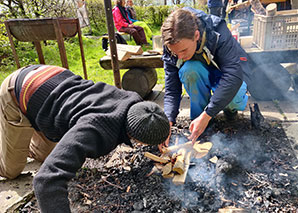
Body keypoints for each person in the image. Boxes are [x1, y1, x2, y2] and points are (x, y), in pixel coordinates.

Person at [0, 64, 170, 212]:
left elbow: (148, 120)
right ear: (135, 138)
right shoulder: (94, 129)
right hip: (19, 91)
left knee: (46, 156)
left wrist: (158, 134)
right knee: (11, 170)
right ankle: (13, 133)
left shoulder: (132, 103)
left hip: (51, 78)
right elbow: (46, 181)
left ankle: (24, 137)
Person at [160, 8, 251, 147]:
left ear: (196, 35)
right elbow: (172, 88)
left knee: (233, 97)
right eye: (175, 52)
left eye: (184, 50)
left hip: (225, 74)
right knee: (189, 70)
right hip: (201, 73)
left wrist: (208, 113)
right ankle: (199, 121)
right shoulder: (171, 42)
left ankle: (223, 111)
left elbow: (233, 74)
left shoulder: (217, 31)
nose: (180, 56)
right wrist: (168, 121)